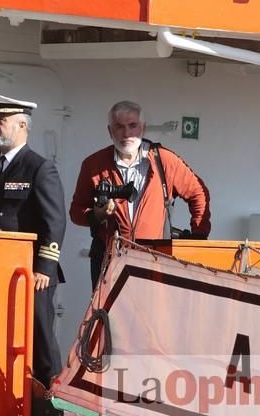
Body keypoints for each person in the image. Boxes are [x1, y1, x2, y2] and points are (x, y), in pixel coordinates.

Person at [0, 94, 66, 398]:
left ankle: (51, 397)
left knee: (39, 337)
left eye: (1, 120)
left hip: (31, 272)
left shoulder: (38, 167)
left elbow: (55, 221)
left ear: (22, 124)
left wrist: (44, 267)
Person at [70, 100, 211, 290]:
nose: (126, 133)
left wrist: (197, 240)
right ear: (110, 131)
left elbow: (199, 193)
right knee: (109, 318)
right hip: (108, 260)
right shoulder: (93, 165)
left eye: (132, 126)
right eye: (119, 127)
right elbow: (76, 212)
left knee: (150, 318)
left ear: (143, 128)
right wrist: (97, 215)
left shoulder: (163, 161)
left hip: (154, 261)